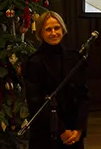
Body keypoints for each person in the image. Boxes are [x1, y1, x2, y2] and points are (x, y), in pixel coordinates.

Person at [23, 12, 89, 148]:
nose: (53, 33)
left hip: (73, 132)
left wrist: (79, 129)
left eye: (57, 28)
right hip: (46, 133)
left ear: (63, 29)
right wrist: (61, 131)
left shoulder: (75, 58)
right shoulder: (33, 62)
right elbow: (36, 102)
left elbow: (83, 96)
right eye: (48, 29)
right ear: (41, 33)